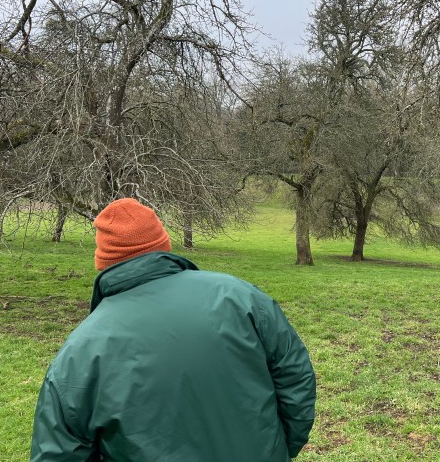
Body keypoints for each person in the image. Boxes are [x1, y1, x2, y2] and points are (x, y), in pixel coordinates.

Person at [30, 197, 316, 461]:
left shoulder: (80, 351)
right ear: (163, 245)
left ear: (104, 261)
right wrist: (277, 449)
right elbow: (295, 377)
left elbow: (58, 451)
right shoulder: (240, 297)